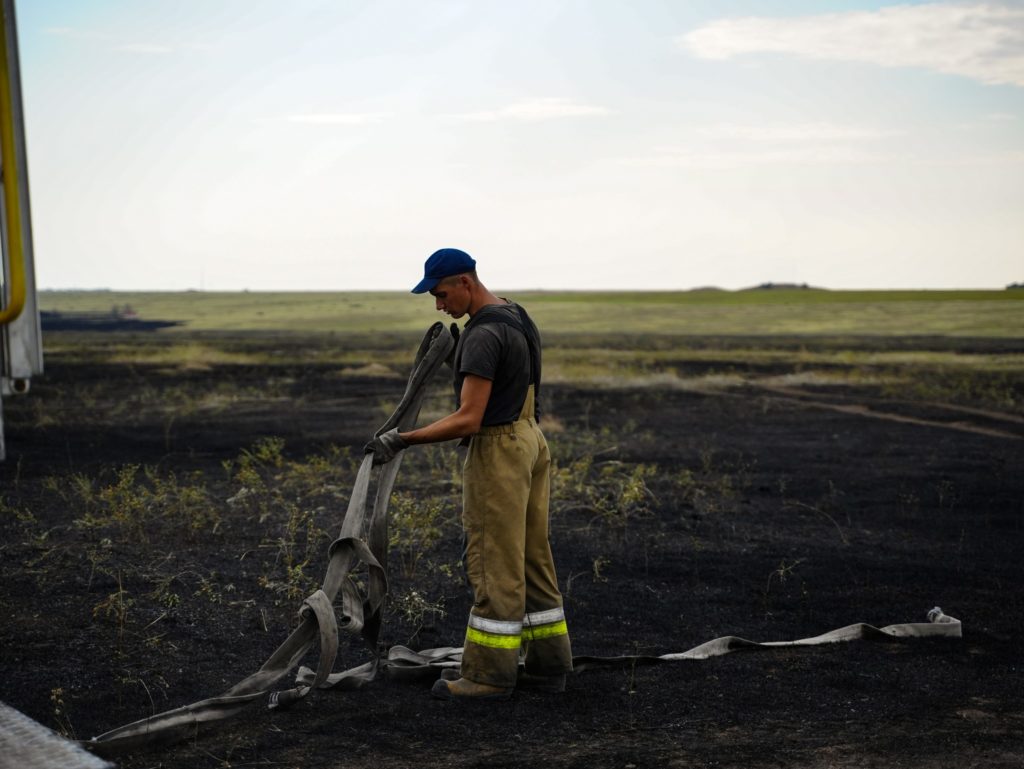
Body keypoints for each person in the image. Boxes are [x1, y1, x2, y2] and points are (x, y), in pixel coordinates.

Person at [365, 247, 573, 700]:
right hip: (531, 439)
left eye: (440, 294)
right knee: (533, 558)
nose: (439, 305)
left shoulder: (482, 335)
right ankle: (548, 668)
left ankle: (488, 676)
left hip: (498, 449)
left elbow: (469, 419)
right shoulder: (516, 315)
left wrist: (404, 438)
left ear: (464, 281)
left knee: (493, 561)